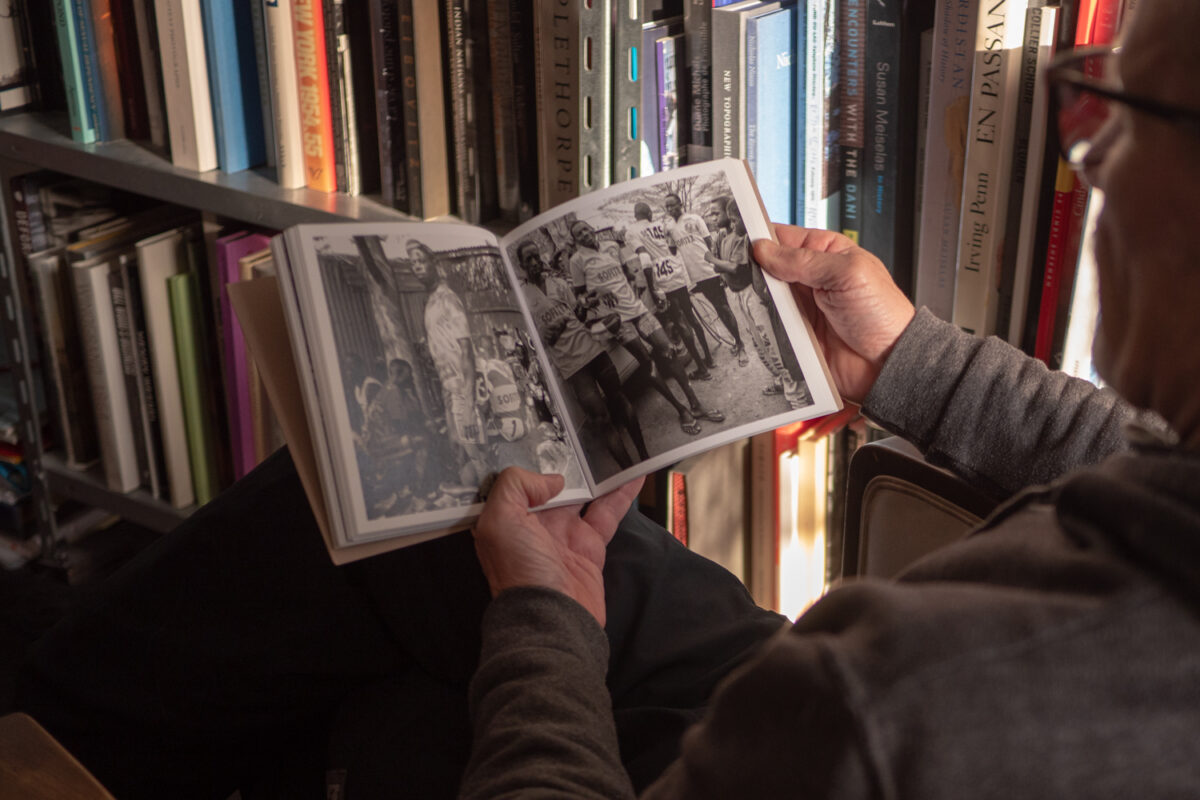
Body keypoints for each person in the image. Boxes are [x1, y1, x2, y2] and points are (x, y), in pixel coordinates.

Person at [16, 3, 1200, 797]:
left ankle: (44, 733)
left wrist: (548, 625)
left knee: (439, 615)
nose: (1087, 163)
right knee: (416, 534)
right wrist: (913, 362)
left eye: (1107, 114)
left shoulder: (884, 701)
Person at [567, 218, 724, 437]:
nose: (584, 234)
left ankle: (695, 403)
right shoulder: (577, 261)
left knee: (669, 351)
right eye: (579, 234)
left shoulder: (612, 246)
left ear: (592, 229)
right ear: (575, 241)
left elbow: (628, 274)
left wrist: (634, 289)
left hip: (638, 310)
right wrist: (596, 298)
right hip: (616, 321)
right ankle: (681, 410)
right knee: (647, 362)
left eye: (585, 229)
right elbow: (580, 298)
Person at [516, 240, 650, 469]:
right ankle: (631, 471)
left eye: (536, 256)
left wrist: (586, 305)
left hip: (593, 350)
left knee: (619, 399)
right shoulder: (523, 297)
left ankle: (646, 459)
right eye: (528, 259)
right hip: (572, 367)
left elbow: (577, 315)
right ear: (521, 265)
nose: (535, 262)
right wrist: (547, 331)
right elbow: (536, 340)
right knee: (602, 420)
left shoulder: (557, 283)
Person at [707, 198, 809, 409]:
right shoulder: (723, 238)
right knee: (760, 343)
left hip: (753, 294)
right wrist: (719, 263)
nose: (715, 219)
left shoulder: (747, 240)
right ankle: (782, 382)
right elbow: (721, 269)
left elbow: (735, 268)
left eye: (732, 219)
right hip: (739, 294)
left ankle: (797, 398)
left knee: (774, 344)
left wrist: (714, 260)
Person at [408, 240, 492, 492]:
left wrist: (468, 405)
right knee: (461, 455)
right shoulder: (431, 301)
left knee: (476, 456)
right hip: (449, 388)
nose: (417, 267)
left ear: (434, 263)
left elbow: (466, 350)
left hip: (462, 388)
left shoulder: (447, 299)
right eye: (413, 263)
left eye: (422, 261)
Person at [624, 201, 716, 379]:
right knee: (690, 317)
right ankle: (708, 359)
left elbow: (644, 257)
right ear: (649, 214)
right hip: (675, 271)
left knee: (679, 322)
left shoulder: (631, 232)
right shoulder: (660, 225)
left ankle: (702, 370)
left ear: (636, 216)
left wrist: (651, 288)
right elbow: (672, 248)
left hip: (661, 276)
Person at [664, 192, 748, 366]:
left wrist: (720, 270)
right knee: (718, 309)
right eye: (667, 207)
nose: (670, 209)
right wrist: (667, 236)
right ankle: (737, 341)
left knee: (722, 307)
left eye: (672, 205)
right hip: (695, 275)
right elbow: (673, 251)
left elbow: (710, 244)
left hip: (709, 271)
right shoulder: (671, 227)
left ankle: (740, 344)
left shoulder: (694, 219)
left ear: (680, 203)